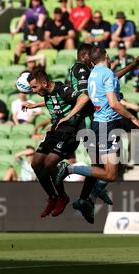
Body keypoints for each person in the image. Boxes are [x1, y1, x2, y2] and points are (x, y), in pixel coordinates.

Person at [54, 46, 139, 224]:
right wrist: (133, 117)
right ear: (107, 56)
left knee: (108, 169)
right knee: (109, 173)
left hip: (101, 123)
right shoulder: (96, 72)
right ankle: (70, 170)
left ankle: (87, 199)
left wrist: (132, 65)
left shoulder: (94, 73)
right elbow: (113, 102)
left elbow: (110, 79)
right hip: (106, 124)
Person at [23, 68, 89, 218]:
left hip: (70, 132)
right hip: (55, 131)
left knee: (49, 163)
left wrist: (69, 116)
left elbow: (84, 97)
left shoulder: (63, 89)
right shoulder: (47, 92)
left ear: (45, 83)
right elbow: (54, 101)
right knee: (35, 163)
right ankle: (53, 197)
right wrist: (35, 105)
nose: (33, 90)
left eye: (35, 87)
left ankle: (62, 196)